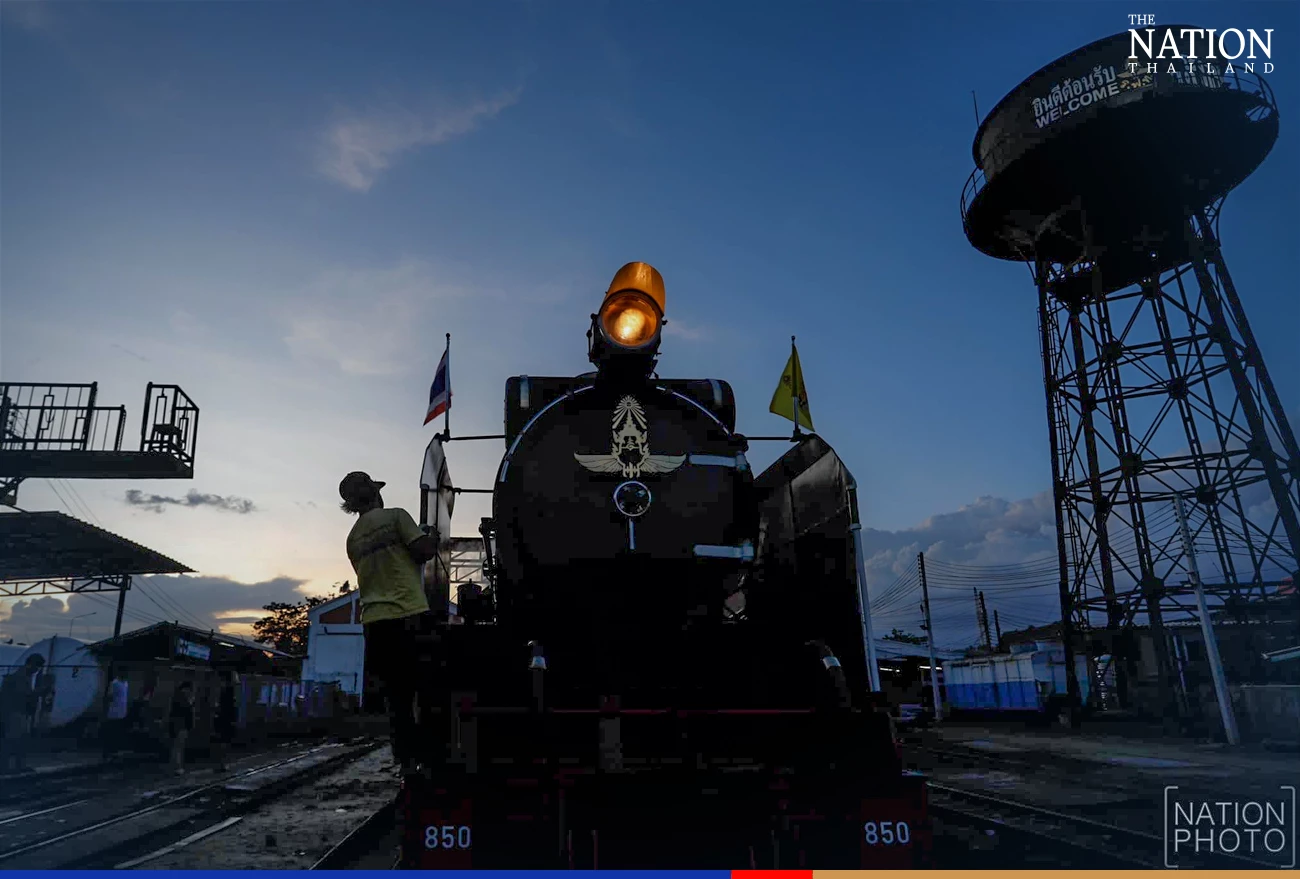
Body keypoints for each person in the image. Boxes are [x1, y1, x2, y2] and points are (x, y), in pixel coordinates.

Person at [339, 470, 441, 776]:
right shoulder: (396, 516)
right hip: (408, 614)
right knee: (428, 690)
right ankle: (433, 758)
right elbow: (423, 552)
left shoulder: (352, 539)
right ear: (376, 493)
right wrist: (431, 534)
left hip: (374, 623)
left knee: (397, 698)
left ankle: (407, 762)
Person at [0, 655, 44, 774]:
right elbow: (23, 695)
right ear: (30, 664)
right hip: (15, 712)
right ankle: (9, 767)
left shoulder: (24, 676)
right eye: (37, 667)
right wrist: (38, 691)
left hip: (18, 713)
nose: (36, 670)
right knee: (14, 740)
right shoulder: (20, 677)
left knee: (18, 740)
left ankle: (14, 766)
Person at [101, 669, 130, 760]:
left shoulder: (125, 683)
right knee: (111, 733)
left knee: (117, 734)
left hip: (122, 712)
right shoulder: (114, 683)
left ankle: (114, 751)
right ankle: (107, 752)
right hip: (114, 713)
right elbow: (109, 696)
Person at [213, 671, 239, 771]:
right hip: (226, 721)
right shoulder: (229, 692)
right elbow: (230, 708)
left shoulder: (224, 692)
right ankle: (222, 764)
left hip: (223, 721)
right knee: (224, 743)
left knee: (222, 743)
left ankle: (221, 764)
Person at [168, 682, 195, 775]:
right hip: (181, 725)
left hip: (178, 725)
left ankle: (175, 766)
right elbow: (188, 713)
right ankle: (177, 767)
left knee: (176, 747)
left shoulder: (177, 697)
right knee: (179, 747)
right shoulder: (184, 699)